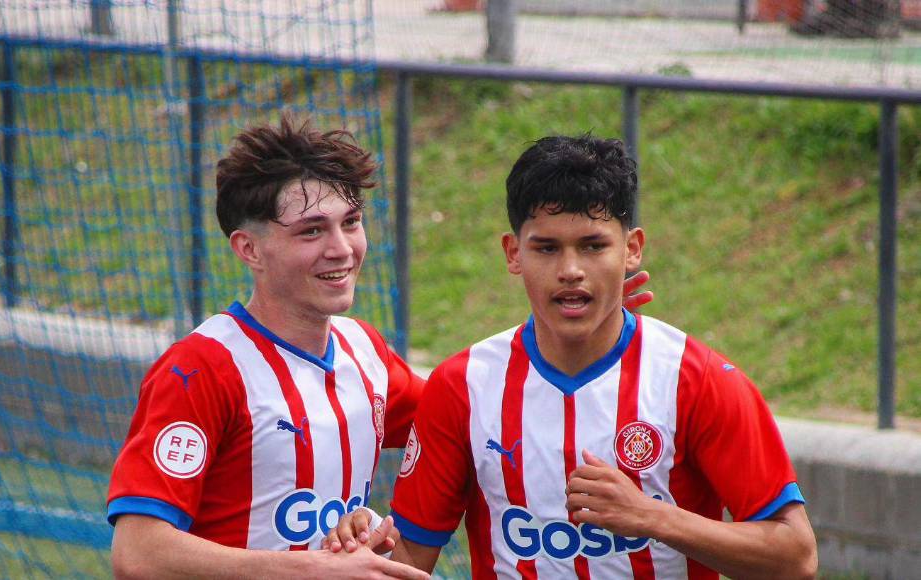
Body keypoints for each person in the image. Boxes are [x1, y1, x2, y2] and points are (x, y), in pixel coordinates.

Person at [327, 133, 817, 579]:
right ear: (513, 254)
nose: (570, 270)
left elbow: (796, 557)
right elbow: (410, 559)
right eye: (546, 248)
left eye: (592, 245)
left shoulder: (697, 379)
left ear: (632, 250)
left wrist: (654, 518)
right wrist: (366, 543)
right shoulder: (465, 386)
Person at [106, 117, 430, 579]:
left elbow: (463, 425)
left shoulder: (365, 351)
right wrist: (312, 569)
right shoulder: (204, 367)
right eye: (312, 231)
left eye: (351, 222)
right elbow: (138, 554)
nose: (342, 249)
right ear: (249, 250)